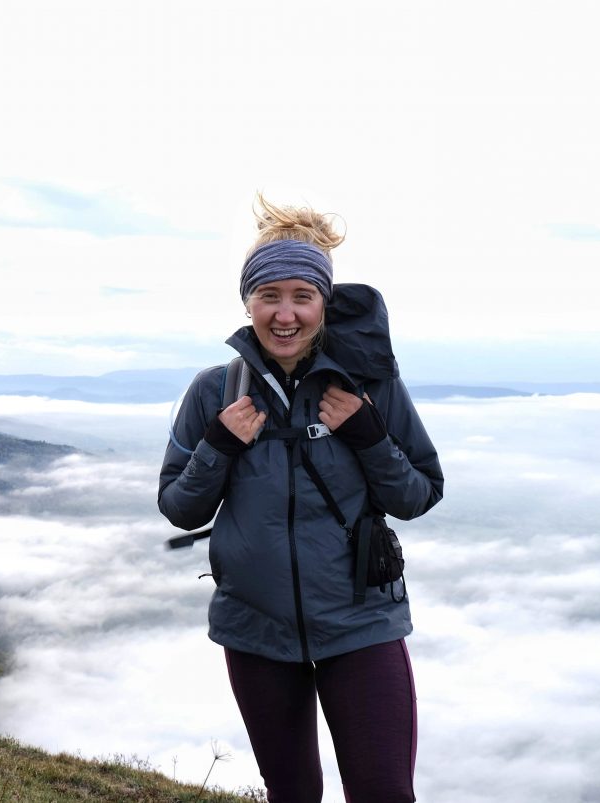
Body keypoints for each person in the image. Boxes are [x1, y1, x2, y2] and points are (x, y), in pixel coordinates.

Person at [158, 196, 444, 803]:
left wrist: (369, 436)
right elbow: (180, 507)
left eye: (301, 296)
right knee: (292, 793)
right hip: (255, 629)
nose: (284, 314)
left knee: (384, 792)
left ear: (323, 304)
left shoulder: (370, 386)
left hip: (361, 622)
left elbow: (420, 493)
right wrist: (219, 443)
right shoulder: (215, 391)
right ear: (248, 304)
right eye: (269, 296)